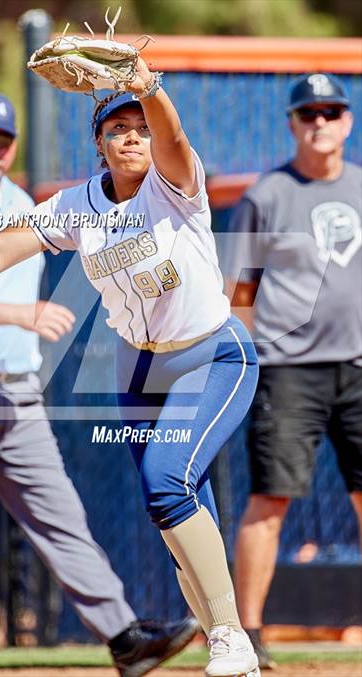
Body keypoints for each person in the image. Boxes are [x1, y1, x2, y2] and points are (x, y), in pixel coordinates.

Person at [0, 54, 263, 677]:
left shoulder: (175, 182)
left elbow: (172, 136)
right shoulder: (82, 204)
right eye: (117, 128)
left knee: (165, 484)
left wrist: (148, 90)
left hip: (210, 356)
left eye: (138, 126)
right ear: (98, 142)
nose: (133, 136)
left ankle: (230, 636)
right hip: (139, 372)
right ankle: (225, 640)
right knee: (178, 504)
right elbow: (14, 238)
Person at [222, 73, 362, 670]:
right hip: (288, 370)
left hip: (358, 366)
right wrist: (249, 358)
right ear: (292, 123)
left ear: (348, 121)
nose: (320, 123)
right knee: (270, 500)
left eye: (331, 112)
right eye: (309, 114)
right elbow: (239, 291)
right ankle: (246, 636)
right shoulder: (267, 195)